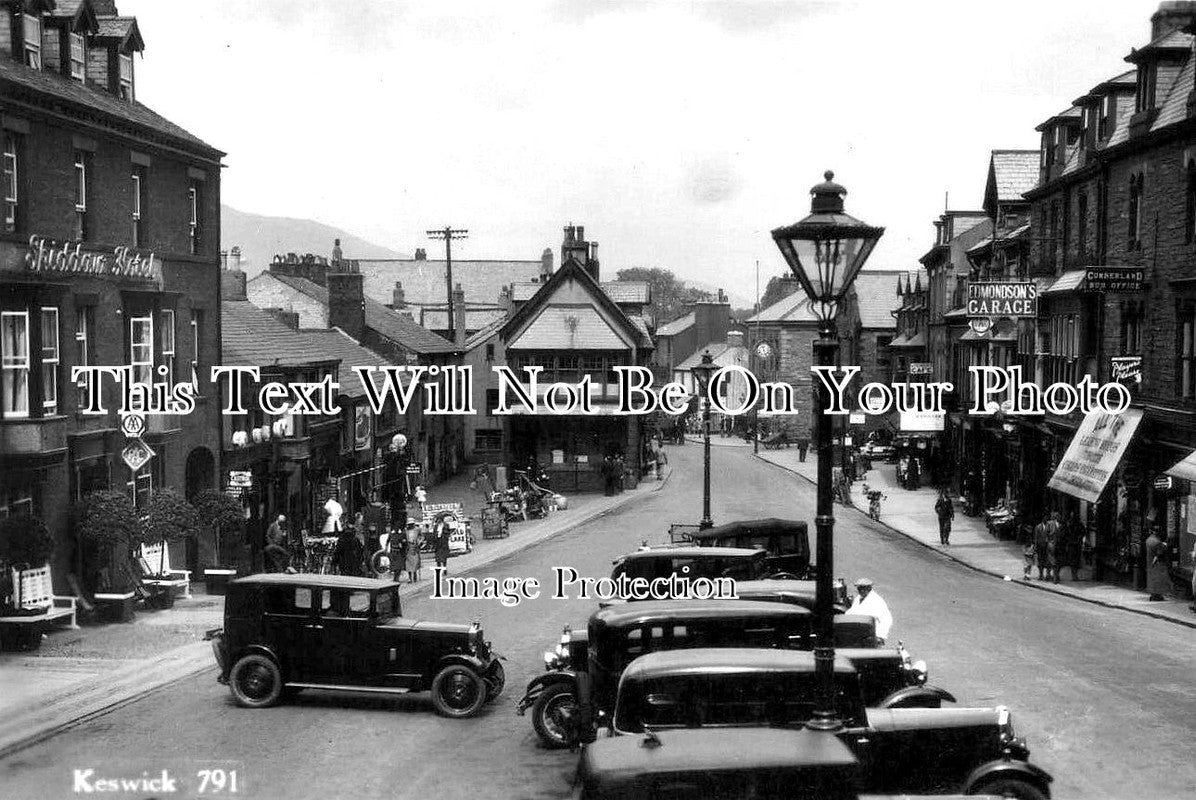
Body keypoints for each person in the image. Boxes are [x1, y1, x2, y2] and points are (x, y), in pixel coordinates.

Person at [848, 578, 892, 644]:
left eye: (863, 588)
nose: (861, 591)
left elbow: (887, 619)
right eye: (859, 589)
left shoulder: (877, 600)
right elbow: (852, 611)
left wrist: (880, 636)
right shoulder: (858, 598)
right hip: (857, 634)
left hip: (871, 636)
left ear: (869, 588)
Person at [1145, 527, 1170, 601]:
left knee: (1151, 579)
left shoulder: (1148, 540)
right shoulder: (1157, 542)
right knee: (1158, 579)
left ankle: (1153, 594)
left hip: (1149, 561)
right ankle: (1157, 595)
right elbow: (1160, 553)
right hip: (1157, 563)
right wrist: (1165, 545)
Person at [1033, 513, 1059, 581]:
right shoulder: (1038, 527)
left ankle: (1048, 574)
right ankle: (1041, 574)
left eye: (1047, 518)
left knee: (1048, 561)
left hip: (1047, 546)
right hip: (1041, 546)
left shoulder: (1050, 525)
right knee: (1041, 561)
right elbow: (1036, 538)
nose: (1046, 519)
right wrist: (1035, 547)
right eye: (1044, 518)